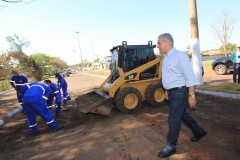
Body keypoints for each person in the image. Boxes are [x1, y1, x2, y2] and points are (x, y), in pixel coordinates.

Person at [157, 33, 206, 158]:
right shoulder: (166, 57)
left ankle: (170, 146)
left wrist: (191, 95)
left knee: (173, 119)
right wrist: (167, 90)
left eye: (159, 43)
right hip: (172, 92)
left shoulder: (180, 55)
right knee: (181, 114)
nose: (157, 46)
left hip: (180, 92)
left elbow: (189, 76)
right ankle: (199, 131)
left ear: (167, 42)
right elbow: (170, 76)